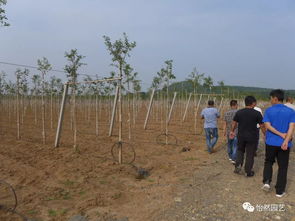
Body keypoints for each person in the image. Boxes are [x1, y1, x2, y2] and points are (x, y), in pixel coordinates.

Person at [261, 89, 295, 197]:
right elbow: (291, 128)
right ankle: (279, 191)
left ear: (275, 98)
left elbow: (267, 126)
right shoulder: (291, 112)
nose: (270, 101)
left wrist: (279, 134)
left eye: (271, 98)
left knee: (268, 162)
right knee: (283, 166)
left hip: (271, 142)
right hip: (284, 144)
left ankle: (267, 182)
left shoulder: (269, 111)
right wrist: (285, 140)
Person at [230, 96, 264, 177]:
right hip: (252, 137)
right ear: (253, 103)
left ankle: (238, 166)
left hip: (241, 136)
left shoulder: (239, 112)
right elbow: (262, 125)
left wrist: (232, 131)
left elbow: (234, 123)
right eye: (255, 102)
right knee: (250, 154)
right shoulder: (257, 113)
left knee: (240, 151)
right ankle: (248, 171)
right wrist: (265, 134)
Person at [223, 100, 238, 164]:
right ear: (235, 105)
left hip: (229, 131)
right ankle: (234, 158)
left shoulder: (226, 113)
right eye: (237, 104)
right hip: (236, 131)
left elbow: (225, 123)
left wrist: (224, 131)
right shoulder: (238, 112)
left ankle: (230, 156)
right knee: (235, 145)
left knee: (229, 144)